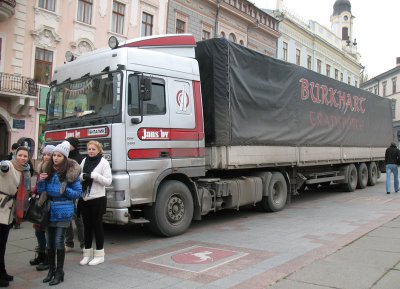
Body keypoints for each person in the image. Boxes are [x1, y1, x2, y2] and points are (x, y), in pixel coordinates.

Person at [37, 141, 82, 286]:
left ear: (65, 157)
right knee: (50, 243)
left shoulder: (70, 172)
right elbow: (41, 191)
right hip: (49, 210)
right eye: (54, 155)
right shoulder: (48, 169)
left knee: (58, 241)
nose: (55, 158)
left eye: (59, 156)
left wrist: (64, 190)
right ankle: (51, 270)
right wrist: (41, 181)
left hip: (64, 211)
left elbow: (78, 193)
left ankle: (59, 272)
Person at [0, 146, 31, 287]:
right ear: (15, 155)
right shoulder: (9, 165)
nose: (23, 158)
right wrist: (4, 164)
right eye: (20, 155)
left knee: (3, 244)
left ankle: (2, 271)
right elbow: (3, 166)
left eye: (25, 156)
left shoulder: (23, 171)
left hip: (9, 210)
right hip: (2, 207)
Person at [79, 141, 111, 266]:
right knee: (87, 226)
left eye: (93, 149)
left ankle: (99, 254)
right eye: (89, 149)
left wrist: (94, 176)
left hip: (98, 198)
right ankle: (87, 254)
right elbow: (79, 175)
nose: (91, 151)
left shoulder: (104, 163)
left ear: (99, 150)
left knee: (97, 226)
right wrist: (83, 176)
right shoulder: (84, 161)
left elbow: (108, 181)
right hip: (85, 198)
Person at [29, 145, 55, 271]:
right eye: (44, 154)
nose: (45, 157)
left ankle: (48, 259)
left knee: (47, 232)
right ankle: (41, 254)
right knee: (38, 231)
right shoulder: (40, 167)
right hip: (40, 202)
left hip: (48, 204)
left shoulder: (53, 169)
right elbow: (39, 185)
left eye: (49, 155)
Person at [64, 137, 84, 252]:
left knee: (78, 218)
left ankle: (83, 244)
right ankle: (69, 243)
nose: (67, 145)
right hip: (65, 191)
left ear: (74, 145)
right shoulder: (64, 156)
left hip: (76, 191)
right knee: (67, 218)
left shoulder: (80, 158)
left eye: (69, 143)